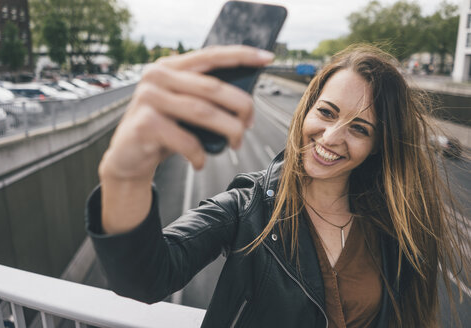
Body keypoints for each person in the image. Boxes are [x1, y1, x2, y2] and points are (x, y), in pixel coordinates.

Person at [86, 44, 469, 328]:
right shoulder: (247, 208)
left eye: (359, 128)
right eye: (327, 112)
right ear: (308, 107)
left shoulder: (394, 225)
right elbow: (145, 278)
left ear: (376, 148)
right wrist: (126, 174)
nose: (332, 137)